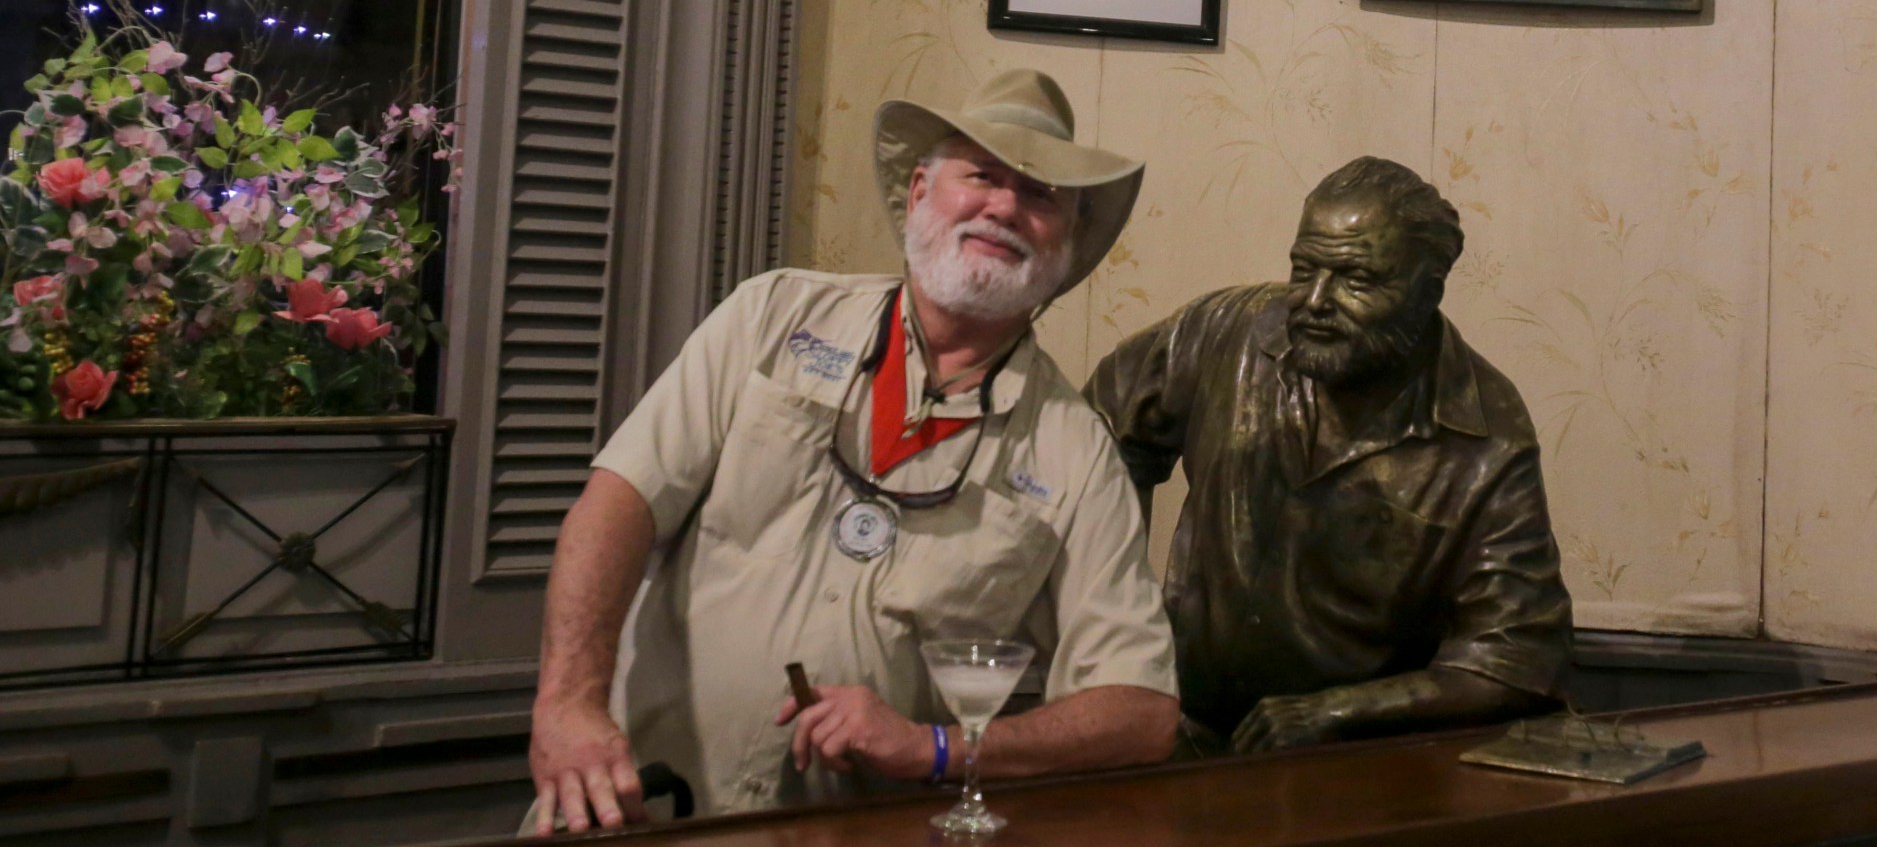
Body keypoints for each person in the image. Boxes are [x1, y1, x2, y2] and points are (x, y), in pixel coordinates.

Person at [524, 71, 1178, 833]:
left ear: (1065, 241)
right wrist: (568, 700)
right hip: (634, 803)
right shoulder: (771, 315)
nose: (1005, 206)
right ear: (919, 194)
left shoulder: (1077, 452)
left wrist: (936, 748)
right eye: (983, 176)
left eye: (1041, 196)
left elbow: (1141, 713)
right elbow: (618, 502)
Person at [1087, 158, 1572, 754]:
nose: (1314, 300)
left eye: (1356, 279)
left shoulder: (1485, 436)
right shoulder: (1226, 331)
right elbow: (1102, 431)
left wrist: (1339, 712)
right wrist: (1117, 614)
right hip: (1179, 737)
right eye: (1304, 269)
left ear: (1428, 291)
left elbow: (1513, 655)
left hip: (1353, 766)